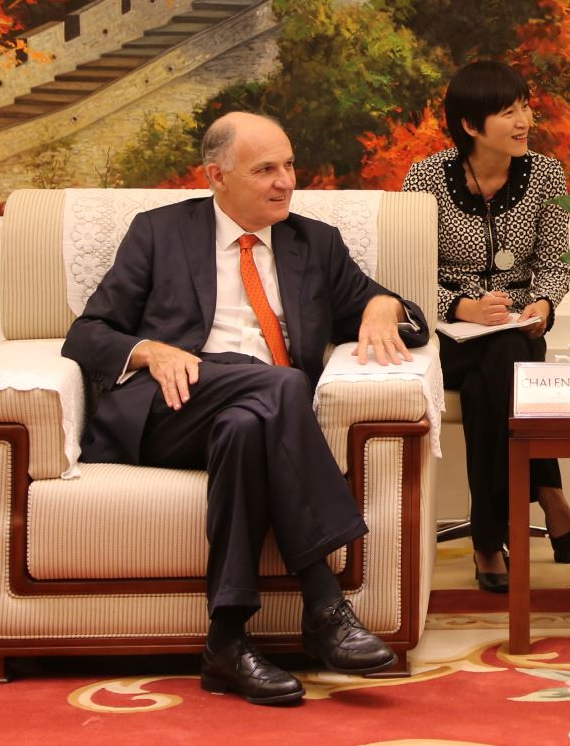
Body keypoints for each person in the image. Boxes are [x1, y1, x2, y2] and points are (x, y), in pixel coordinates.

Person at [63, 111, 427, 706]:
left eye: (289, 165)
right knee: (283, 385)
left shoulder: (315, 244)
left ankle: (227, 641)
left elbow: (407, 319)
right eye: (265, 170)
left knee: (247, 425)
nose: (285, 181)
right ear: (217, 176)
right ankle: (324, 602)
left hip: (257, 416)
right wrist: (151, 350)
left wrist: (384, 304)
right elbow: (87, 333)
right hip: (173, 406)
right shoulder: (159, 232)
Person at [404, 60, 570, 593]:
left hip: (519, 328)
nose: (524, 121)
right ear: (471, 125)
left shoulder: (546, 175)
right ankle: (546, 492)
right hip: (448, 334)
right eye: (508, 112)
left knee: (494, 377)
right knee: (502, 362)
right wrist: (461, 307)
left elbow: (554, 263)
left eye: (525, 107)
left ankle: (488, 536)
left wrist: (542, 305)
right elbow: (407, 273)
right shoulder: (425, 179)